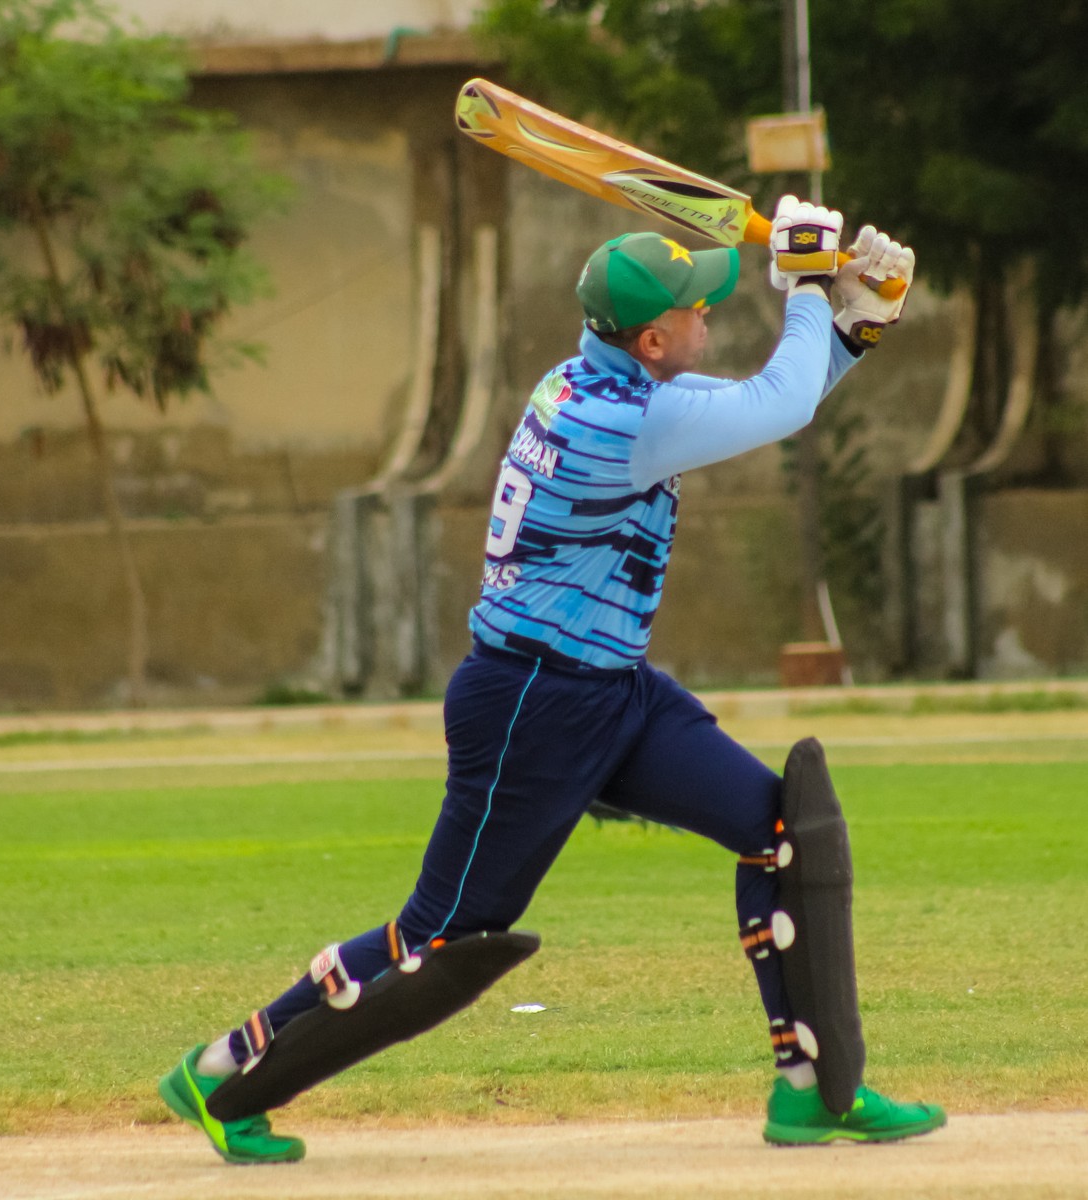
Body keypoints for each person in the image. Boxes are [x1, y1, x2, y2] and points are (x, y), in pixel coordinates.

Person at [158, 196, 945, 1163]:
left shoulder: (599, 382)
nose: (709, 316)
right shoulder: (623, 420)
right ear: (652, 339)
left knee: (781, 833)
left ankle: (813, 1091)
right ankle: (222, 1071)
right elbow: (773, 406)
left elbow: (769, 400)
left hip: (610, 690)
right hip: (531, 702)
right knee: (442, 936)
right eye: (696, 309)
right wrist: (810, 289)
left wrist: (854, 322)